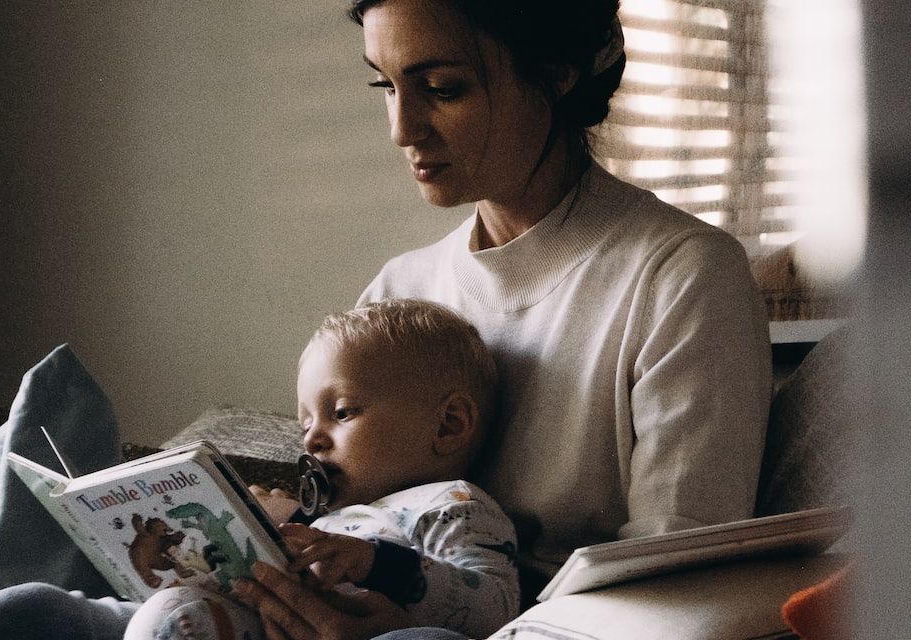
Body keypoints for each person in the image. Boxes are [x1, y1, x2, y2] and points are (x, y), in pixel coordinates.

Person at [242, 0, 772, 639]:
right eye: (387, 85)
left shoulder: (680, 275)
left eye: (443, 88)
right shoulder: (401, 290)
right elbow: (346, 512)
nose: (402, 129)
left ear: (557, 71)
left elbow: (676, 575)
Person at [123, 298, 519, 640]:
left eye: (342, 412)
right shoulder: (329, 516)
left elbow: (495, 608)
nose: (312, 440)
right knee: (135, 611)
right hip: (233, 620)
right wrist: (263, 524)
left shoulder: (454, 504)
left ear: (449, 424)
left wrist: (375, 563)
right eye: (306, 425)